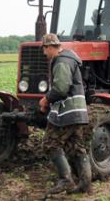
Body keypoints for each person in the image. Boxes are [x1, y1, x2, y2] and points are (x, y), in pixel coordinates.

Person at [39, 33, 91, 197]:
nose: (44, 54)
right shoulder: (71, 59)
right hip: (78, 111)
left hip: (67, 112)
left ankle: (65, 179)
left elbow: (61, 88)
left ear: (49, 47)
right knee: (76, 146)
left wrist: (46, 99)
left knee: (50, 143)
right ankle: (85, 182)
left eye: (45, 50)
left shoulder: (61, 62)